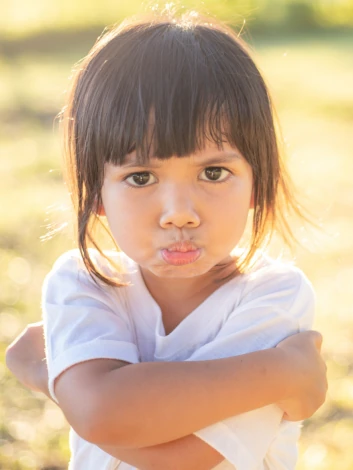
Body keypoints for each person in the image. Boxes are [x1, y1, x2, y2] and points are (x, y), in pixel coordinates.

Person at [6, 8, 327, 470]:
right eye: (141, 177)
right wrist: (280, 373)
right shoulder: (84, 283)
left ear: (259, 182)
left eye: (213, 173)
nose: (179, 213)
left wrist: (57, 381)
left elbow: (180, 458)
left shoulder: (274, 295)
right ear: (96, 192)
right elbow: (102, 413)